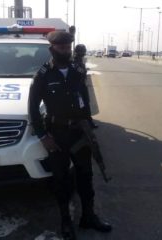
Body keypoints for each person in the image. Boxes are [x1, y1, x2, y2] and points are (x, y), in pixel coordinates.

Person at [29, 31, 112, 240]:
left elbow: (84, 99)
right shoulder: (43, 75)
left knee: (86, 177)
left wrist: (89, 127)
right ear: (52, 49)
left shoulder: (77, 71)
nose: (66, 51)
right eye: (61, 48)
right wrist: (43, 137)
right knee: (61, 180)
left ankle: (89, 216)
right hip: (56, 135)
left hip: (79, 133)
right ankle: (66, 221)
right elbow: (32, 109)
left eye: (68, 47)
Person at [73, 44, 98, 129]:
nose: (84, 52)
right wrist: (83, 71)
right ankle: (85, 123)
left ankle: (89, 122)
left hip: (82, 85)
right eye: (83, 51)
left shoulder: (79, 59)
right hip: (77, 87)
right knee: (82, 105)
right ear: (79, 52)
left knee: (86, 104)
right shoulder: (74, 60)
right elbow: (78, 71)